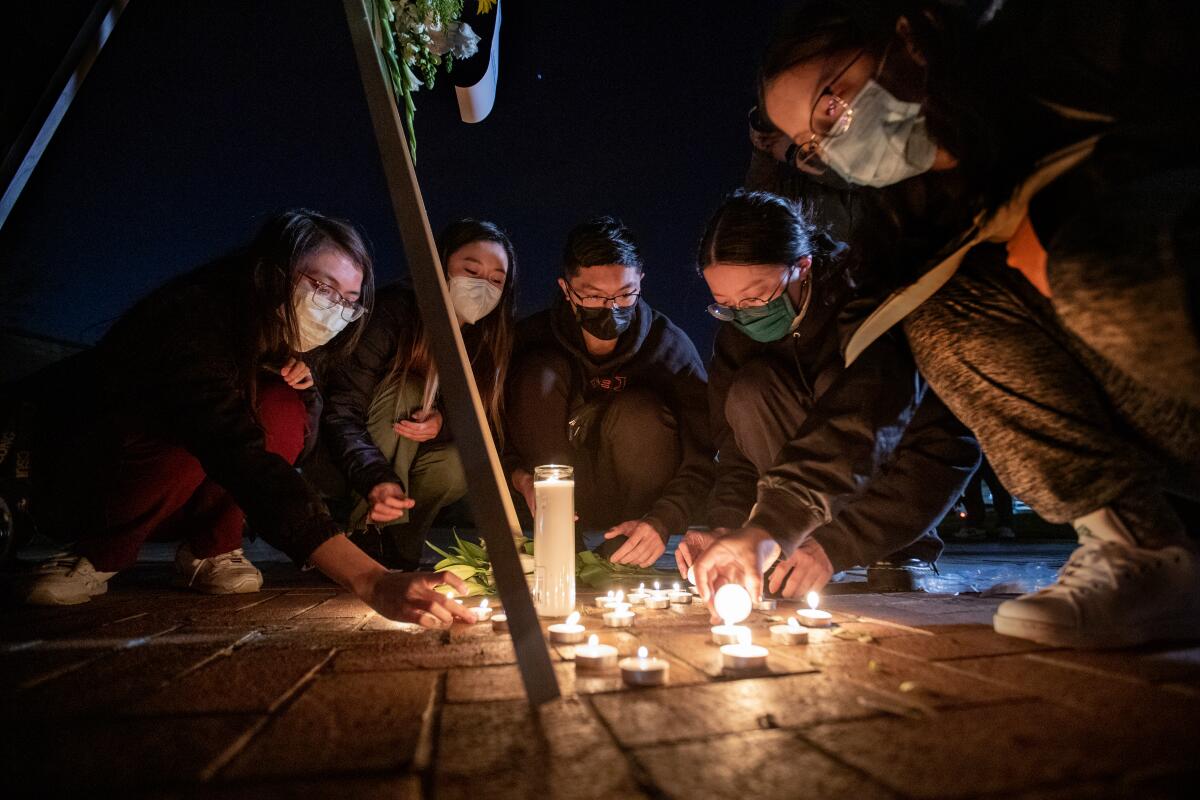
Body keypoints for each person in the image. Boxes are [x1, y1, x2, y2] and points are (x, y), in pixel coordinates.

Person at [695, 0, 1200, 648]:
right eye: (814, 146)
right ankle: (1141, 547)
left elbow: (937, 443)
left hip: (1167, 300)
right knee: (941, 315)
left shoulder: (1070, 49)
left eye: (830, 103)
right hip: (1148, 416)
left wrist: (1062, 213)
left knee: (1086, 264)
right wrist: (767, 530)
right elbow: (870, 395)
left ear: (902, 34)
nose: (835, 144)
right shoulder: (910, 232)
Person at [16, 210, 475, 626]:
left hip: (183, 499)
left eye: (349, 299)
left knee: (279, 405)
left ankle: (211, 549)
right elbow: (232, 446)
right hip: (97, 481)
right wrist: (370, 580)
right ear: (273, 272)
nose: (335, 308)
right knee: (212, 428)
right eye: (321, 286)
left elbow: (293, 440)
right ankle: (97, 553)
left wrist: (306, 394)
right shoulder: (196, 318)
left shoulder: (290, 350)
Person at [677, 190, 978, 598]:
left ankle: (899, 547)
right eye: (726, 304)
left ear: (803, 266)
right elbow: (736, 453)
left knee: (836, 383)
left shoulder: (868, 302)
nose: (744, 314)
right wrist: (728, 526)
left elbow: (944, 446)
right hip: (797, 508)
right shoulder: (737, 339)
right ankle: (792, 539)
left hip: (895, 485)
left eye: (755, 296)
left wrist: (836, 543)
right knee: (751, 389)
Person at [504, 216, 713, 567]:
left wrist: (664, 519)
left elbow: (704, 450)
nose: (611, 308)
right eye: (594, 297)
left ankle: (625, 543)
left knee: (640, 412)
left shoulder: (669, 348)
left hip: (632, 504)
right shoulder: (529, 339)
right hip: (545, 498)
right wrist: (521, 478)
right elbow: (491, 431)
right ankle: (558, 536)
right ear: (566, 289)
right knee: (540, 374)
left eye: (625, 294)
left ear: (641, 283)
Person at [310, 219, 517, 569]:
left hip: (412, 461)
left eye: (496, 280)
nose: (483, 286)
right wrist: (376, 479)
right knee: (409, 388)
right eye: (471, 270)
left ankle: (402, 543)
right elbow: (342, 409)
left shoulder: (485, 343)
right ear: (440, 263)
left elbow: (481, 421)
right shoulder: (394, 312)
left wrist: (443, 423)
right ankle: (365, 532)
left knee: (457, 463)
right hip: (344, 459)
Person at [958, 457, 1015, 540]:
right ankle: (1005, 525)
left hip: (976, 452)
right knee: (997, 487)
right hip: (989, 452)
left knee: (973, 487)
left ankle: (975, 525)